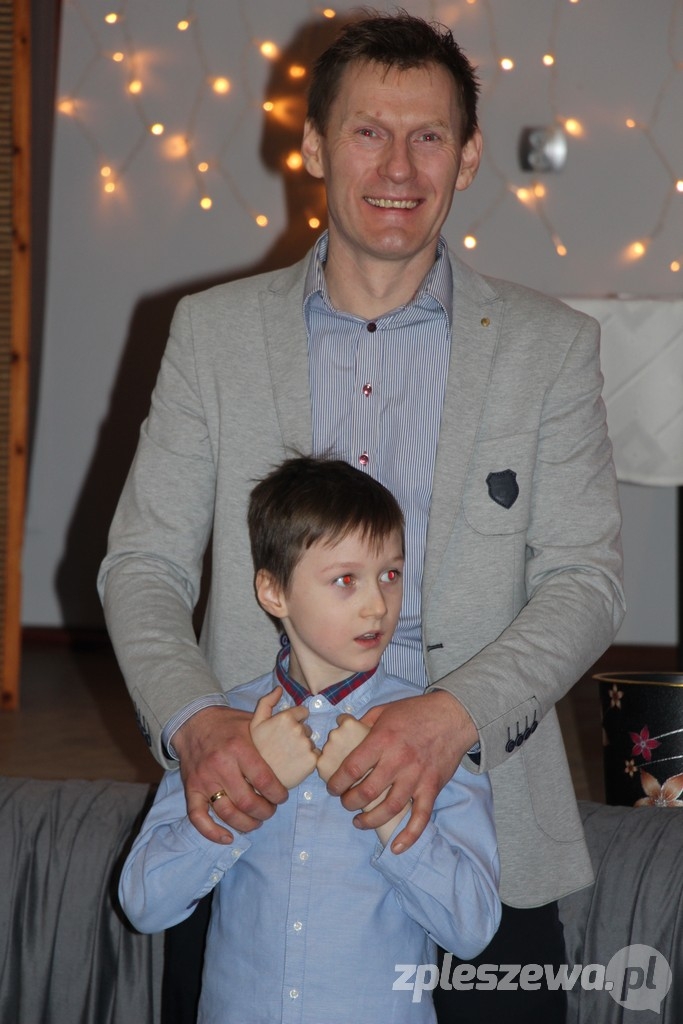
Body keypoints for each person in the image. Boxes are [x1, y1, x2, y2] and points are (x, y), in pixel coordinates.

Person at [99, 11, 624, 1022]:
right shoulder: (212, 333)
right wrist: (195, 724)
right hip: (253, 799)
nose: (397, 167)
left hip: (474, 812)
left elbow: (586, 584)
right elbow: (143, 565)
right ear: (311, 147)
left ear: (467, 156)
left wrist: (451, 716)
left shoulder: (547, 347)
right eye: (367, 132)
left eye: (428, 136)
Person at [118, 455, 501, 1024]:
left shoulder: (428, 738)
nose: (378, 605)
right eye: (346, 580)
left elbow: (471, 929)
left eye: (390, 575)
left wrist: (385, 801)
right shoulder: (224, 731)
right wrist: (247, 790)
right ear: (273, 592)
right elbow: (144, 903)